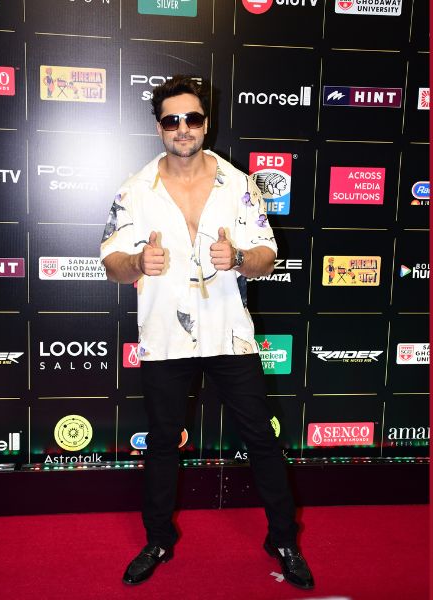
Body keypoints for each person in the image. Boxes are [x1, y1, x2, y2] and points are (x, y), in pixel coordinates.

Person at [99, 75, 314, 591]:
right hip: (164, 337)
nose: (183, 128)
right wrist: (137, 262)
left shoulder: (239, 184)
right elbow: (110, 263)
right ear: (159, 127)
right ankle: (157, 540)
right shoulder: (135, 189)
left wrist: (238, 258)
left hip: (228, 333)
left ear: (206, 123)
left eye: (192, 118)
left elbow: (267, 255)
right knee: (162, 445)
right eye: (171, 120)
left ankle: (283, 539)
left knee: (261, 438)